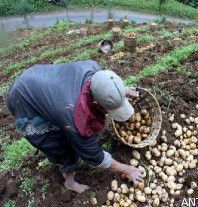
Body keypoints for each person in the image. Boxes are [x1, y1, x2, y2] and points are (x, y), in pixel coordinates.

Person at [5, 60, 143, 194]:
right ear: (95, 102)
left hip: (38, 78)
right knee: (58, 144)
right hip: (23, 100)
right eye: (108, 109)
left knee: (68, 129)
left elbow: (108, 84)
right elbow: (95, 157)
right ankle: (69, 181)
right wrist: (126, 169)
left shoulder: (95, 69)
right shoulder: (72, 115)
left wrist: (119, 93)